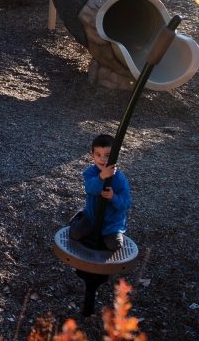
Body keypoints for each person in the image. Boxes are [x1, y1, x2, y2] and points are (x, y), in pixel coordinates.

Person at [67, 133, 131, 317]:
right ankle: (79, 218)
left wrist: (113, 198)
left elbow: (126, 204)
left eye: (108, 155)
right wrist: (102, 177)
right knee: (76, 234)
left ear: (116, 156)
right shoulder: (90, 172)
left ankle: (105, 241)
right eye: (98, 155)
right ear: (92, 156)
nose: (103, 159)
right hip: (92, 217)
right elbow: (90, 188)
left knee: (113, 245)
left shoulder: (120, 179)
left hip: (111, 223)